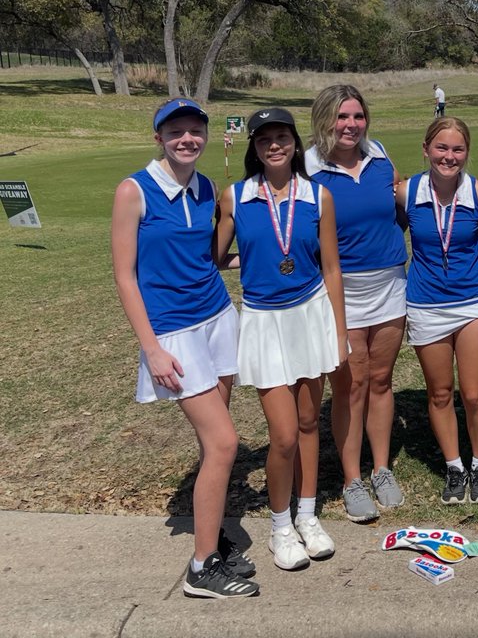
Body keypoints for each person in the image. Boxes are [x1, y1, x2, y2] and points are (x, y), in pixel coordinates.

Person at [112, 99, 259, 599]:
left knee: (211, 443)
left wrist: (262, 257)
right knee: (223, 443)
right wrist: (150, 349)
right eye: (176, 131)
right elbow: (125, 277)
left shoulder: (205, 190)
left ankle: (211, 534)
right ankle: (201, 569)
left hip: (218, 319)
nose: (187, 139)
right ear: (159, 137)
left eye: (196, 130)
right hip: (173, 334)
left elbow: (207, 259)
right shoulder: (134, 191)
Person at [215, 107, 348, 572]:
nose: (275, 144)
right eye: (264, 138)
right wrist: (246, 262)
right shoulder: (235, 196)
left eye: (282, 136)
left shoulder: (319, 196)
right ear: (253, 147)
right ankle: (280, 526)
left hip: (311, 316)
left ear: (295, 142)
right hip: (264, 321)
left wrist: (340, 331)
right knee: (285, 435)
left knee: (310, 424)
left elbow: (331, 267)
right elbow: (214, 255)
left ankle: (308, 516)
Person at [305, 85, 408, 522]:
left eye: (357, 116)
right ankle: (351, 479)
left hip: (390, 286)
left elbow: (398, 209)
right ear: (324, 119)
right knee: (351, 385)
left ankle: (381, 469)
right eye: (341, 117)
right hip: (339, 292)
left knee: (381, 380)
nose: (350, 125)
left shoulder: (380, 155)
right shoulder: (307, 168)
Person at [397, 117, 478, 504]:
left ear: (467, 153)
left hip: (473, 301)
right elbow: (388, 235)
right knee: (440, 393)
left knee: (474, 393)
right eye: (441, 148)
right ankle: (454, 467)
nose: (449, 156)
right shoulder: (406, 193)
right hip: (425, 303)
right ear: (426, 149)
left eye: (458, 149)